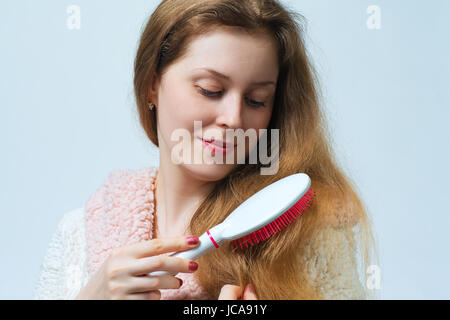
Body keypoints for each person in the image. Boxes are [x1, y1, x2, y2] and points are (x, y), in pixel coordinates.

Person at [34, 0, 377, 300]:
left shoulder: (305, 236)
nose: (233, 118)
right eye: (210, 90)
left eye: (257, 100)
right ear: (153, 83)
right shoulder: (79, 235)